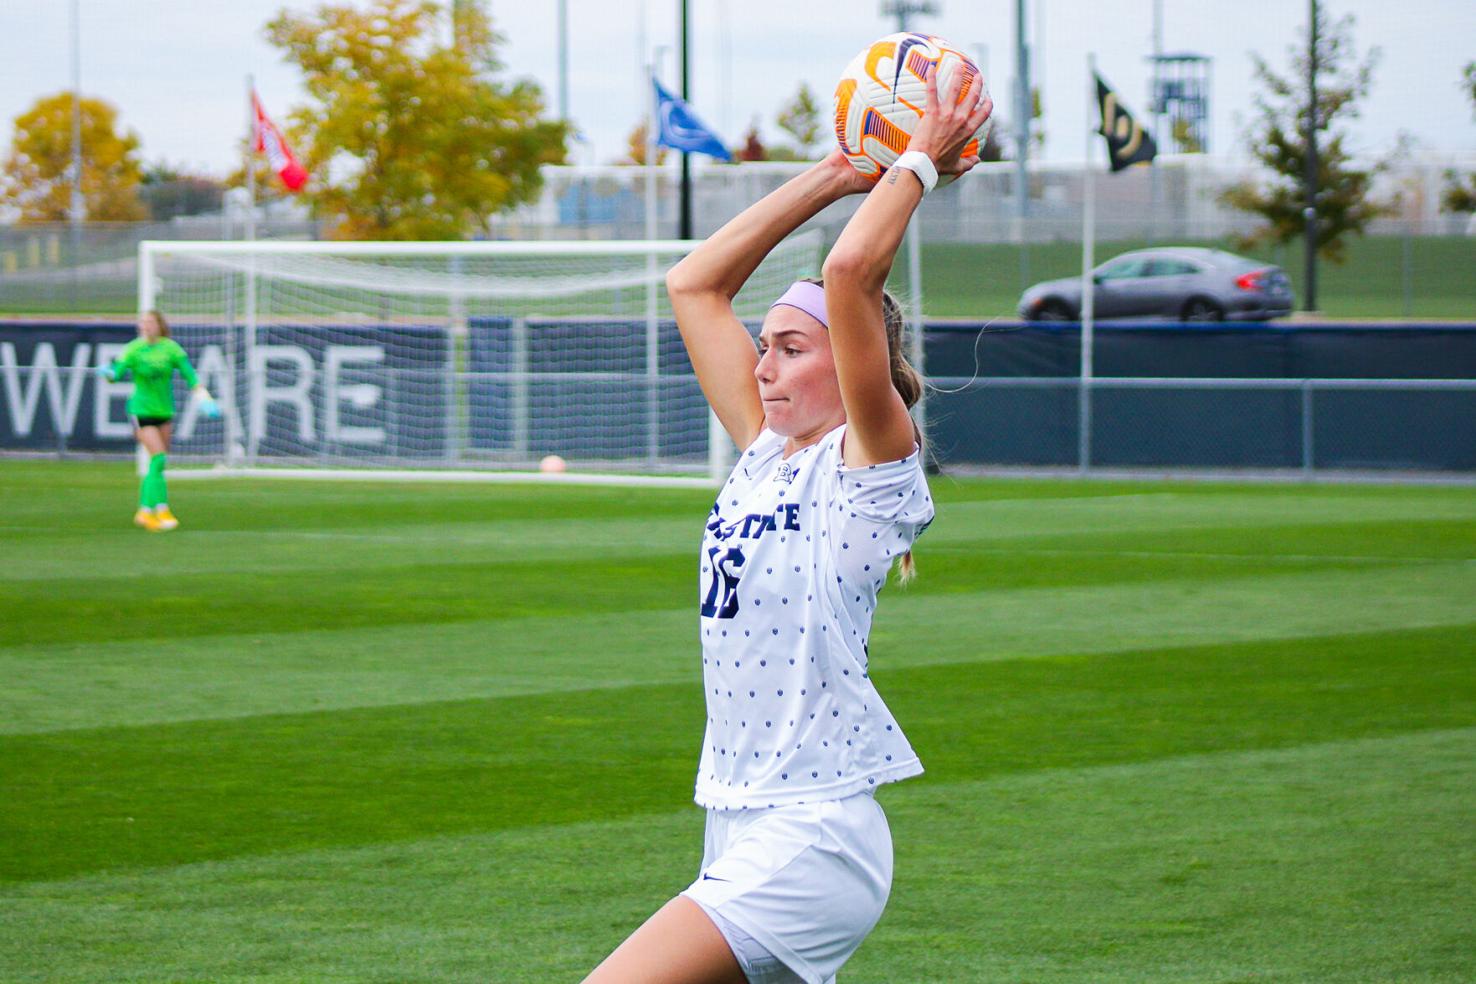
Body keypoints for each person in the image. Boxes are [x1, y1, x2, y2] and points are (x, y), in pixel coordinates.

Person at [584, 68, 992, 984]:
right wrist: (836, 169)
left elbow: (850, 272)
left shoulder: (872, 465)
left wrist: (916, 163)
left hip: (814, 834)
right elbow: (694, 285)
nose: (764, 364)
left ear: (852, 368)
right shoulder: (764, 449)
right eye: (763, 344)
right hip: (737, 815)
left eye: (792, 347)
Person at [97, 309, 218, 532]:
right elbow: (117, 374)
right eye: (143, 323)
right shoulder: (133, 349)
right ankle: (153, 510)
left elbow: (190, 376)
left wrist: (204, 399)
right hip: (141, 410)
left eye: (150, 322)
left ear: (160, 325)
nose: (146, 326)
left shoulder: (171, 349)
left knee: (159, 463)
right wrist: (108, 372)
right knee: (158, 457)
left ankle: (153, 510)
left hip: (164, 411)